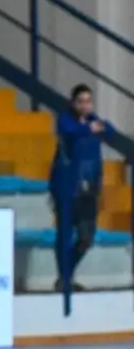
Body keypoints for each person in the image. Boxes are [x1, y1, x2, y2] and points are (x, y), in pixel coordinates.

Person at [49, 83, 112, 292]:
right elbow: (68, 131)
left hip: (88, 189)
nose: (85, 105)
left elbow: (110, 131)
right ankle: (64, 278)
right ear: (73, 103)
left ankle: (66, 275)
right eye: (81, 101)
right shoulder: (66, 120)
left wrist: (98, 125)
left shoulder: (95, 122)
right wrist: (88, 128)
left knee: (86, 237)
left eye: (88, 101)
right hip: (67, 187)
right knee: (64, 234)